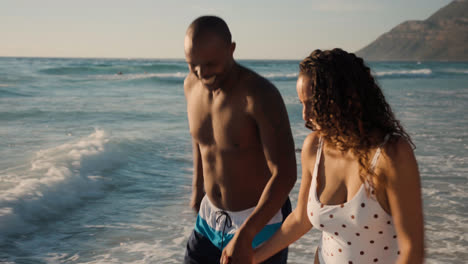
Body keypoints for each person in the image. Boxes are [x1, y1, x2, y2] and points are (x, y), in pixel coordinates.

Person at [253, 49, 425, 264]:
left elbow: (413, 251)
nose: (305, 116)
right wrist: (251, 257)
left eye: (313, 103)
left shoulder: (390, 153)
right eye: (302, 104)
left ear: (344, 97)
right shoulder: (315, 147)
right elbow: (301, 219)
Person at [182, 16, 297, 264]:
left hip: (258, 226)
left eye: (211, 63)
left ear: (231, 49)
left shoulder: (260, 96)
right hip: (209, 221)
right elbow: (201, 140)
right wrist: (197, 188)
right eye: (193, 64)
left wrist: (246, 234)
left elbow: (286, 174)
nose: (202, 73)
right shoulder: (191, 86)